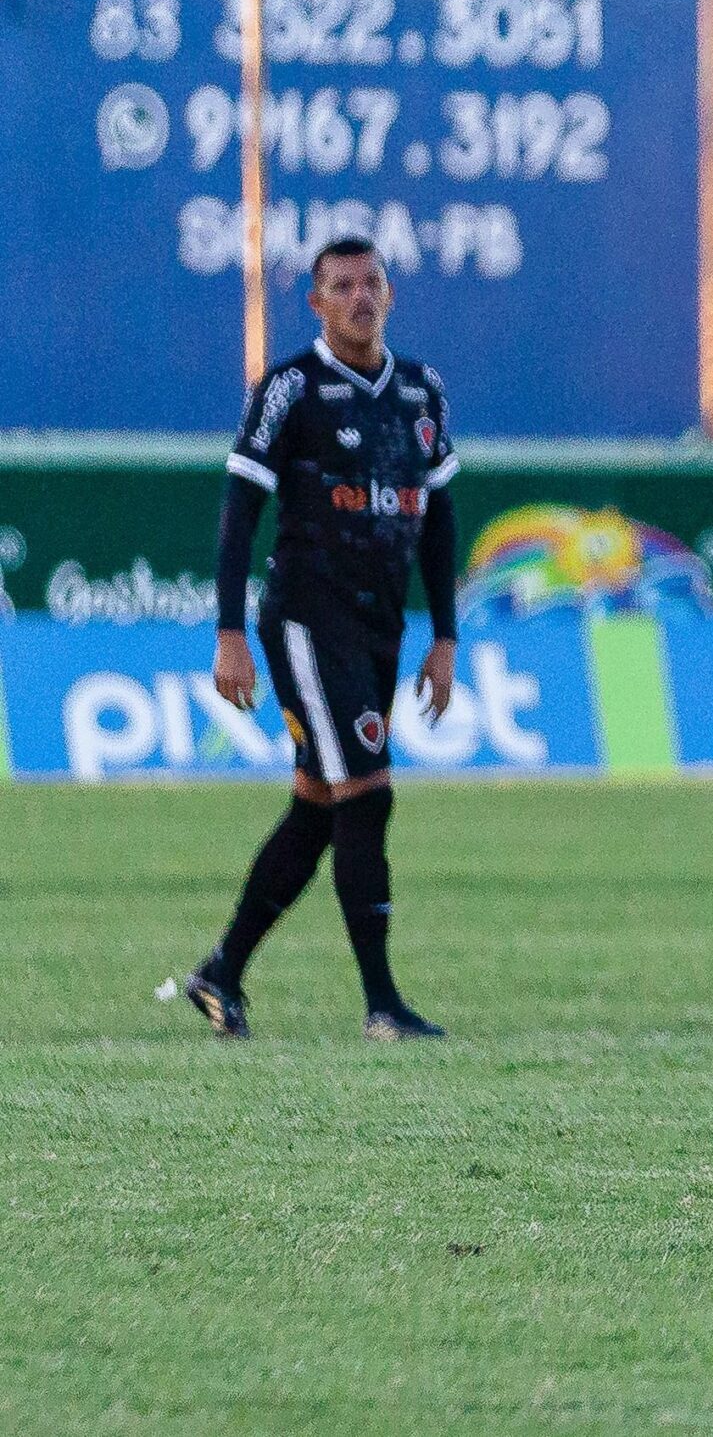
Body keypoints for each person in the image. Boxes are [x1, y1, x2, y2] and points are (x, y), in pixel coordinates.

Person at [186, 236, 459, 1041]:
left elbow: (439, 516)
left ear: (391, 291)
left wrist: (445, 635)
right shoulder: (291, 388)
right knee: (368, 792)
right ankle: (382, 1005)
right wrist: (230, 631)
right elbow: (240, 512)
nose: (359, 297)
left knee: (317, 803)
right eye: (341, 286)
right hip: (307, 618)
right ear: (316, 302)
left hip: (380, 624)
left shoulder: (420, 390)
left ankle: (220, 971)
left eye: (371, 282)